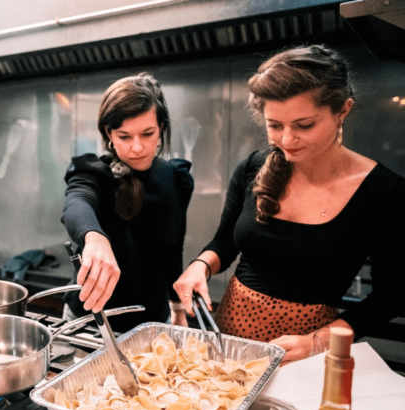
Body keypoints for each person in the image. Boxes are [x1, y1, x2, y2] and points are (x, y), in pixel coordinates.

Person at [173, 45, 404, 364]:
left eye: (304, 125)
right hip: (226, 338)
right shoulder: (252, 167)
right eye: (275, 126)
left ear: (343, 110)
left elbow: (390, 298)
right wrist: (200, 266)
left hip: (305, 353)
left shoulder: (384, 192)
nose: (286, 140)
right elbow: (225, 243)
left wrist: (317, 342)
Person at [61, 73, 194, 333]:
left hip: (154, 324)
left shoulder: (176, 179)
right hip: (91, 323)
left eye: (147, 133)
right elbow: (77, 203)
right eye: (124, 136)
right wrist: (94, 237)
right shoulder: (93, 172)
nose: (137, 147)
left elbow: (173, 247)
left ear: (161, 129)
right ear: (109, 134)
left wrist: (178, 307)